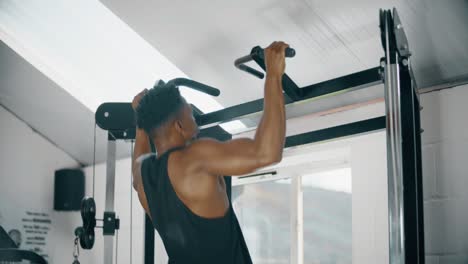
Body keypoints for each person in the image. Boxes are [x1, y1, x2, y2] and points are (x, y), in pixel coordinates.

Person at [131, 41, 288, 263]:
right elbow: (268, 153)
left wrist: (141, 121)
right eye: (189, 112)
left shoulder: (142, 176)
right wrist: (273, 74)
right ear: (179, 126)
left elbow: (139, 157)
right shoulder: (194, 157)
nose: (193, 115)